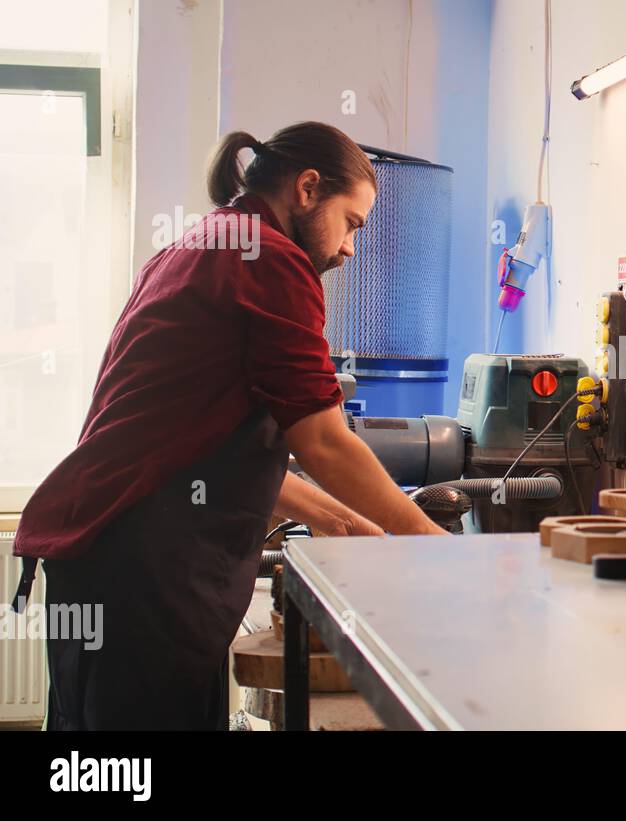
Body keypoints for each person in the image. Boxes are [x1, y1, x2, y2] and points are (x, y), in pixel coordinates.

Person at [11, 121, 447, 730]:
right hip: (141, 572)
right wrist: (439, 550)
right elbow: (322, 440)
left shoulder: (202, 243)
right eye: (351, 223)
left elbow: (195, 443)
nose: (351, 248)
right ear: (308, 188)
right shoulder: (270, 260)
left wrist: (336, 518)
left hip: (104, 560)